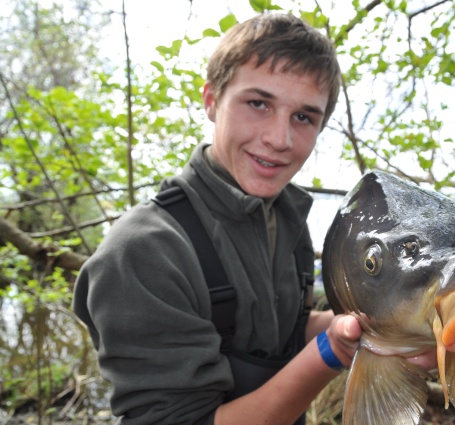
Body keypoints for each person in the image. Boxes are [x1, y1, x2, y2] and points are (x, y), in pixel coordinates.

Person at [73, 12, 435, 425]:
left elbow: (282, 332)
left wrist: (395, 326)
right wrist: (330, 353)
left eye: (303, 117)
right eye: (258, 103)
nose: (279, 139)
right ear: (211, 100)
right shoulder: (142, 251)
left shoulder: (288, 220)